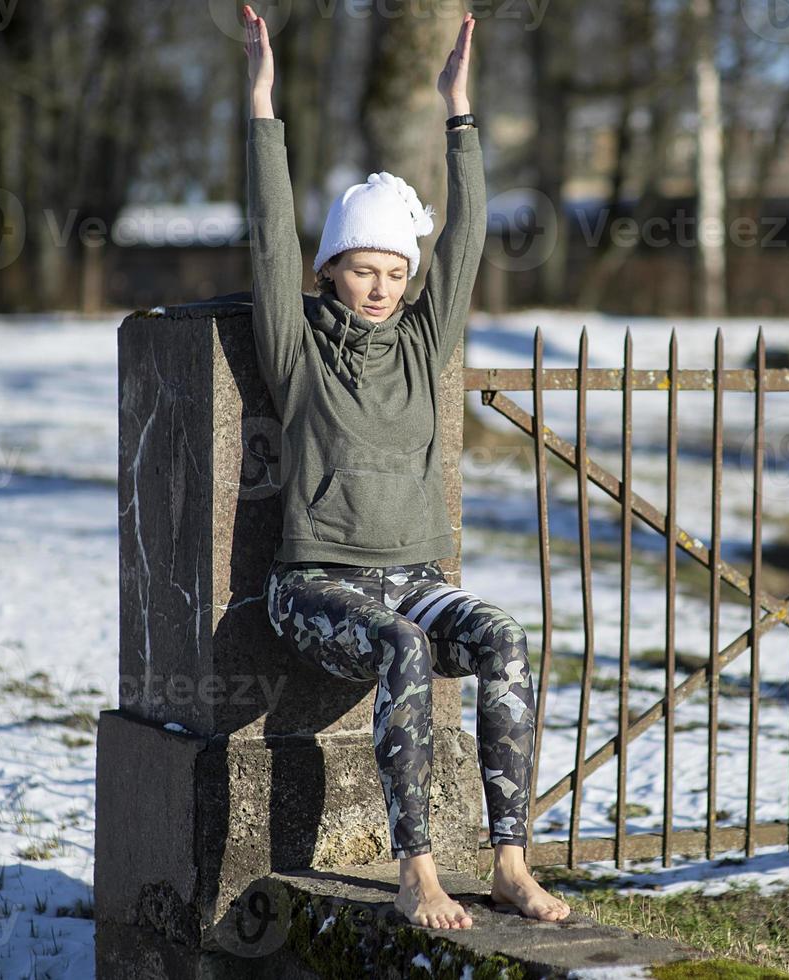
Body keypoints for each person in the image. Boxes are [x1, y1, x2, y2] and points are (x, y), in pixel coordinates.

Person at [242, 5, 570, 930]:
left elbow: (465, 237)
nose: (382, 286)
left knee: (503, 637)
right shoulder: (298, 347)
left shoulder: (425, 344)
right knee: (403, 646)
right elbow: (269, 241)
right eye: (361, 269)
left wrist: (457, 111)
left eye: (395, 269)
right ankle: (416, 869)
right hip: (316, 583)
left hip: (413, 578)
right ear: (332, 268)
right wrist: (264, 107)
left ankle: (508, 861)